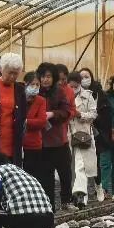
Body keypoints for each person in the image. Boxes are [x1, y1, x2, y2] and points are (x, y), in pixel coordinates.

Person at [37, 62, 72, 210]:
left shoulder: (59, 92)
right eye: (43, 76)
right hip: (41, 141)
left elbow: (66, 111)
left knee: (65, 173)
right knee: (46, 176)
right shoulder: (35, 91)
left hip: (59, 140)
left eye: (49, 76)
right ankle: (49, 204)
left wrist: (52, 114)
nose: (45, 80)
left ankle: (66, 201)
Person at [0, 53, 27, 165]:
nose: (13, 77)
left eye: (16, 73)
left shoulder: (20, 90)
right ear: (1, 69)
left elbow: (23, 114)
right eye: (10, 73)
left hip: (13, 141)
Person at [67, 73, 97, 209]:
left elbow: (93, 114)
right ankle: (72, 194)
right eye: (71, 86)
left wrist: (80, 115)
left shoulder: (88, 96)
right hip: (67, 134)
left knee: (81, 164)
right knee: (71, 166)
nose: (73, 89)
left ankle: (81, 195)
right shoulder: (63, 95)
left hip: (82, 134)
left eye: (76, 86)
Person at [21, 71, 48, 184]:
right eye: (33, 84)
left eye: (37, 85)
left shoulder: (41, 100)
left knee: (33, 175)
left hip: (34, 144)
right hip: (18, 144)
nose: (35, 87)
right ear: (26, 84)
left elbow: (42, 121)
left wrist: (25, 121)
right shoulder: (19, 98)